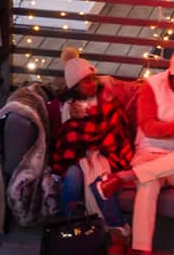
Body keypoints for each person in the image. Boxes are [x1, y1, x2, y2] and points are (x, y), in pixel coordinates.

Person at [97, 45, 174, 255]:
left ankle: (126, 176)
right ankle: (141, 251)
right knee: (148, 183)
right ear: (173, 71)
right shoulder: (151, 87)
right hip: (149, 154)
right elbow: (148, 126)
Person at [48, 48, 136, 218]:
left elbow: (116, 129)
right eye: (87, 81)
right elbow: (67, 138)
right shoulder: (68, 107)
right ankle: (71, 225)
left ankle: (113, 227)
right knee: (73, 178)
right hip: (79, 156)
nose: (93, 83)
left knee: (99, 180)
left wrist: (96, 141)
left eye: (94, 79)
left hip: (105, 154)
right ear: (75, 86)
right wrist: (70, 118)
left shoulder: (106, 97)